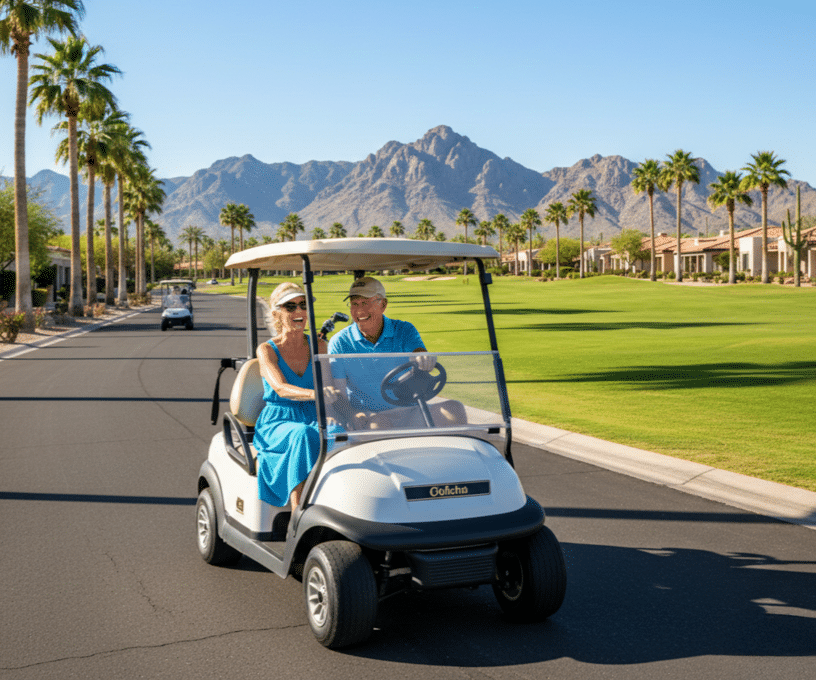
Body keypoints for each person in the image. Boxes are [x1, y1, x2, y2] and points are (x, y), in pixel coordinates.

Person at [326, 276, 464, 428]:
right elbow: (340, 395)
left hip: (411, 411)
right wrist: (353, 415)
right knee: (379, 425)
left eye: (365, 303)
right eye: (354, 304)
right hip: (371, 416)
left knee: (454, 409)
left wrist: (424, 358)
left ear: (383, 304)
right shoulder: (339, 342)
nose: (359, 310)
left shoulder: (404, 330)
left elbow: (418, 352)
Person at [253, 282, 328, 509]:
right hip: (279, 420)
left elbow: (331, 381)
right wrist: (317, 394)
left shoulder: (319, 345)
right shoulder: (267, 349)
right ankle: (298, 515)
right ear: (276, 313)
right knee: (303, 435)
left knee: (342, 434)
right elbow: (281, 388)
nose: (299, 312)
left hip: (314, 414)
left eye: (303, 305)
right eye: (290, 307)